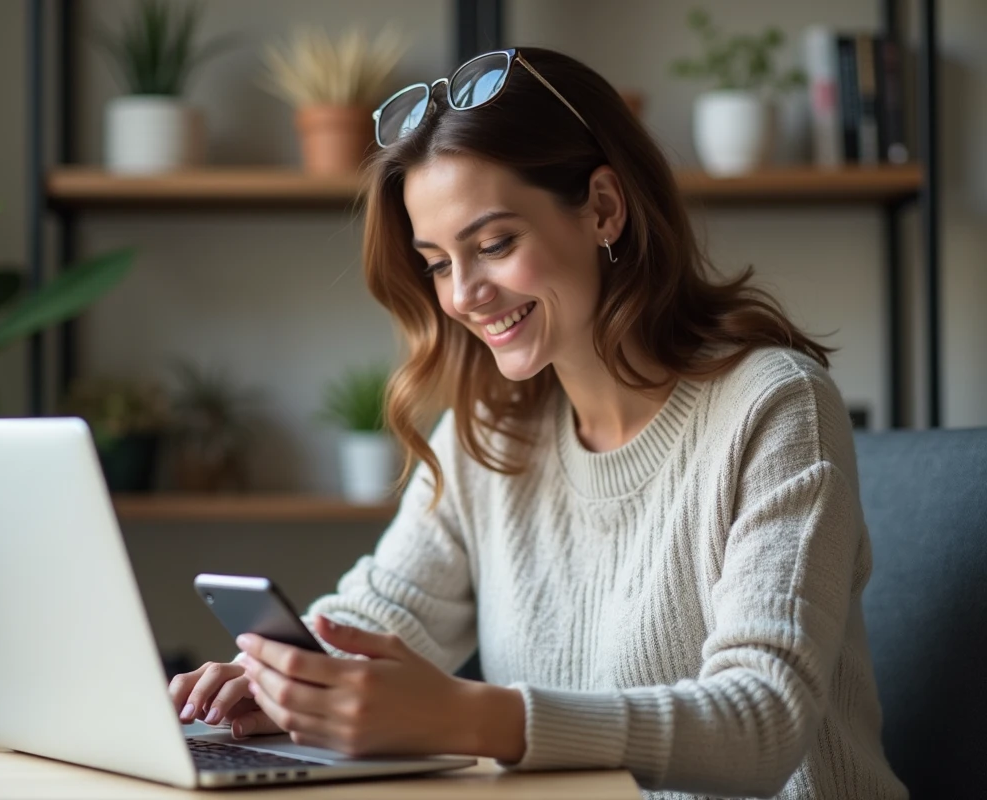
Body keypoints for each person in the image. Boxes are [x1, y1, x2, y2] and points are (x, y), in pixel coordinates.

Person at [169, 47, 907, 799]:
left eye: (494, 245)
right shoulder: (488, 433)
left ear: (604, 208)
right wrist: (283, 677)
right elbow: (381, 612)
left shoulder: (775, 407)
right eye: (438, 262)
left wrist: (469, 716)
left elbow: (763, 724)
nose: (464, 296)